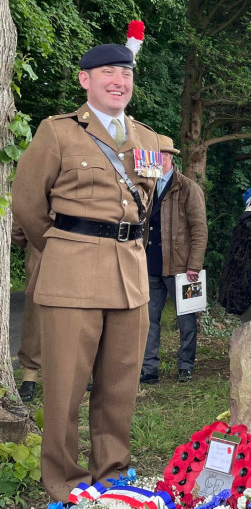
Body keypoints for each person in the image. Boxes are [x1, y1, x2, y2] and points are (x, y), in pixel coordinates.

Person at [12, 40, 162, 502]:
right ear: (86, 80)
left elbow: (145, 207)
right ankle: (62, 479)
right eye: (109, 74)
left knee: (119, 385)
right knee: (64, 389)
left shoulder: (149, 138)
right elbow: (27, 204)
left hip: (130, 278)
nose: (120, 82)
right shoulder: (57, 132)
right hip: (71, 274)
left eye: (127, 75)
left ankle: (112, 472)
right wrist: (62, 249)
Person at [140, 135, 207, 385]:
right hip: (150, 264)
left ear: (169, 157)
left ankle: (186, 366)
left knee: (187, 320)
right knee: (148, 320)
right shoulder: (145, 186)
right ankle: (149, 370)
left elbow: (199, 229)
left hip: (182, 267)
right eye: (154, 155)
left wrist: (194, 265)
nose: (158, 159)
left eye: (162, 154)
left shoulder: (189, 187)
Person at [10, 222, 43, 403]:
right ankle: (29, 377)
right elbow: (24, 212)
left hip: (83, 245)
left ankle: (78, 373)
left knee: (82, 313)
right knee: (36, 314)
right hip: (43, 243)